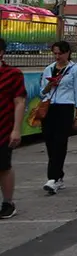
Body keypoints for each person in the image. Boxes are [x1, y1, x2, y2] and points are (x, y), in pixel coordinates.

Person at [40, 40, 77, 195]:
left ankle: (52, 178)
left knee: (60, 142)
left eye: (60, 53)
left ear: (67, 53)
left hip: (65, 107)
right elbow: (42, 91)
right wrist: (49, 86)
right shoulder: (49, 69)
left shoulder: (75, 69)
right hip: (49, 107)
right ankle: (58, 175)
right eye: (55, 53)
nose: (57, 57)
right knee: (50, 142)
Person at [0, 39, 27, 219]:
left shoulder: (12, 74)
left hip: (3, 127)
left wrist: (16, 129)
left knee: (3, 166)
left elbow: (19, 102)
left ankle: (8, 202)